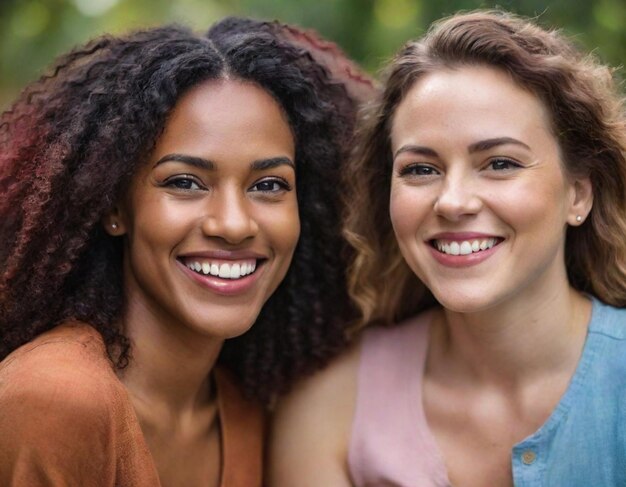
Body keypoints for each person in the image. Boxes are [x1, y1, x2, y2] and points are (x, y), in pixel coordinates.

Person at [0, 16, 374, 486]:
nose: (234, 224)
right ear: (114, 206)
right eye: (185, 182)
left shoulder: (245, 406)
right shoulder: (55, 399)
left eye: (269, 184)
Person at [269, 10, 626, 487]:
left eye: (499, 163)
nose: (453, 202)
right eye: (420, 169)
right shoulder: (330, 406)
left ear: (579, 194)